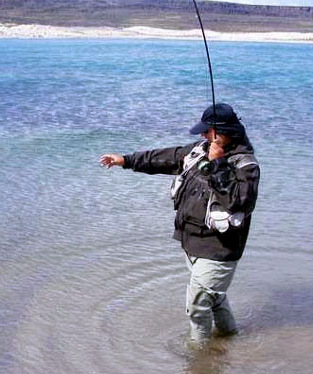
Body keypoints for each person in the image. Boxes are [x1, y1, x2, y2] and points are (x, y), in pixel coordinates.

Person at [99, 103, 260, 344]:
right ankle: (229, 341)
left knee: (197, 306)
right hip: (191, 241)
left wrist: (218, 166)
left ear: (224, 131)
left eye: (207, 131)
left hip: (218, 249)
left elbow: (239, 203)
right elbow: (163, 158)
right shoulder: (199, 151)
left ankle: (199, 356)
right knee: (213, 297)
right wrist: (125, 160)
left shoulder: (246, 165)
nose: (202, 135)